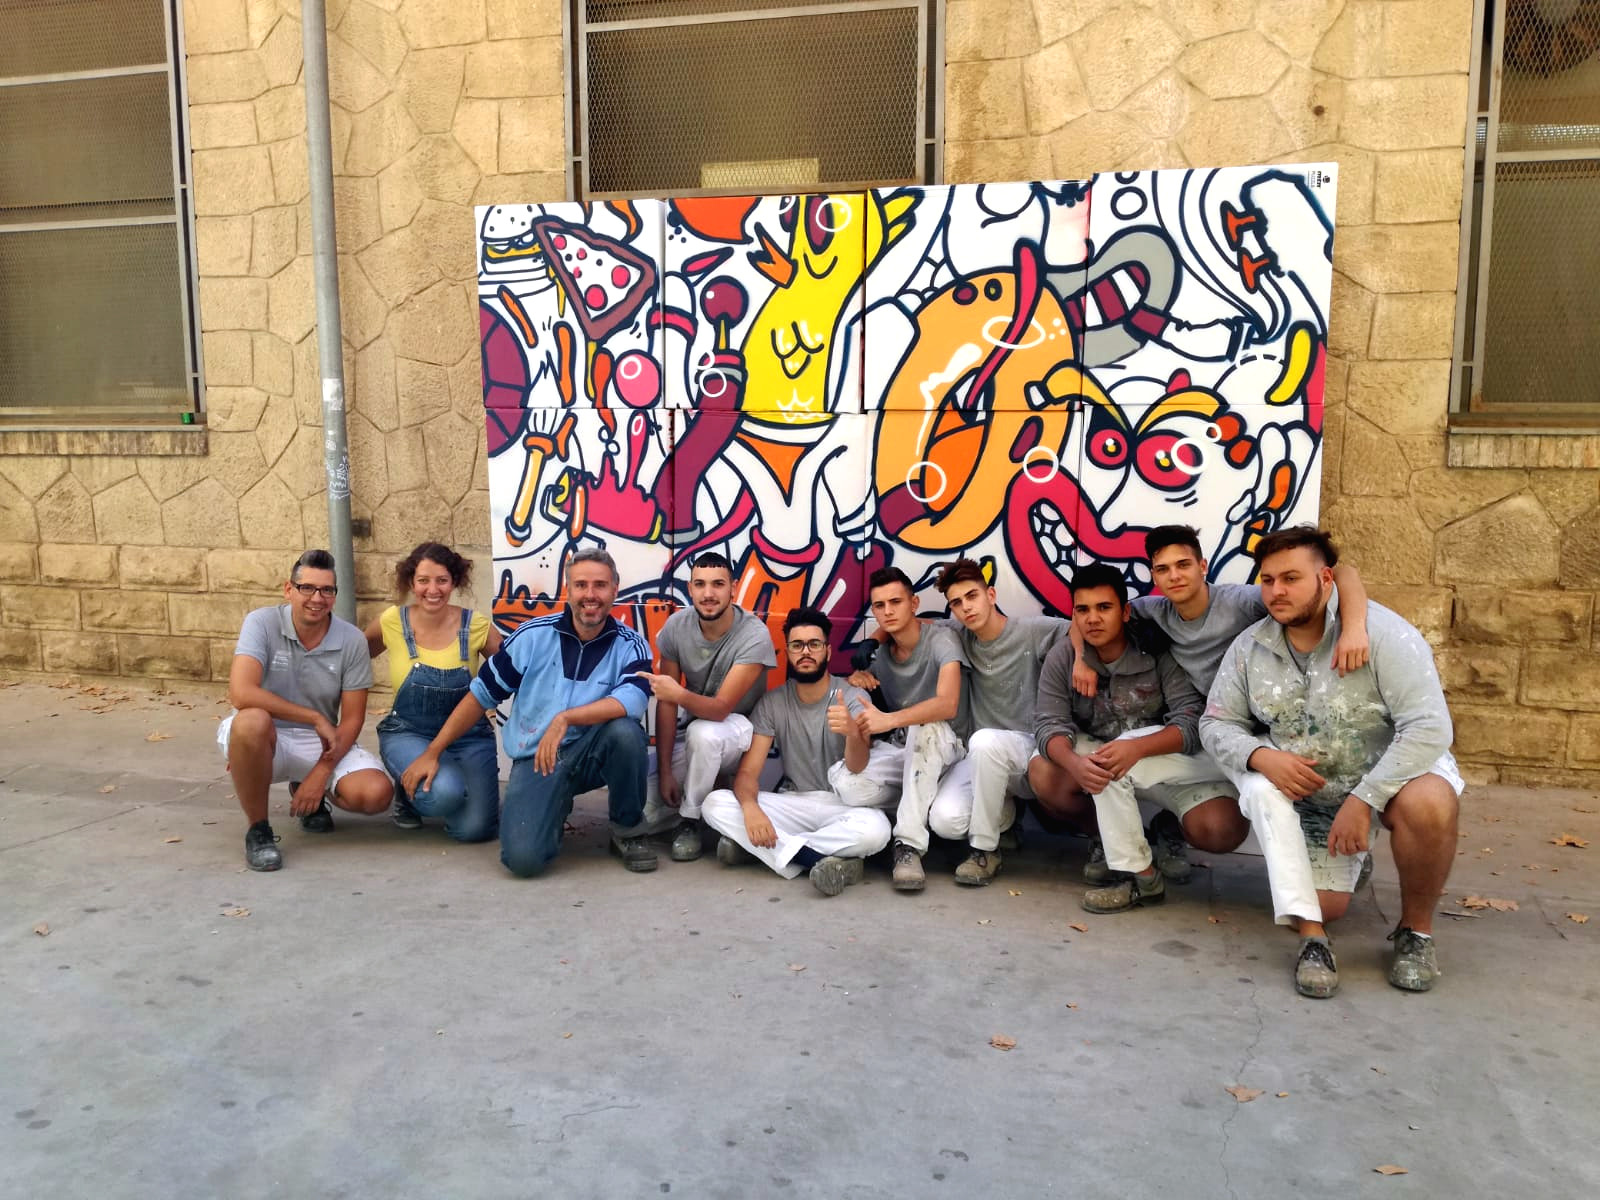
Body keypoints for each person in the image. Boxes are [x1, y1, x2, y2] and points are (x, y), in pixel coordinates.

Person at [1200, 527, 1462, 999]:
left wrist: (1365, 800)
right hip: (1315, 798)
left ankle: (1415, 933)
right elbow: (1216, 723)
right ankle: (1352, 864)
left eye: (1291, 578)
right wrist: (1261, 755)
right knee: (1319, 908)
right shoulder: (1249, 648)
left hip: (1391, 779)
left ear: (1325, 580)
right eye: (1268, 580)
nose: (1277, 591)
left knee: (1429, 802)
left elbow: (1430, 728)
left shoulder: (1384, 635)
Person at [1068, 524, 1371, 884]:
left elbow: (1342, 574)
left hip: (1266, 736)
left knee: (1305, 782)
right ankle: (1136, 874)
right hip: (1210, 735)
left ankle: (1344, 856)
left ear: (1203, 566)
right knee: (1111, 759)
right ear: (1154, 576)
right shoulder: (1153, 610)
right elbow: (1083, 615)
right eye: (1163, 569)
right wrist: (1081, 658)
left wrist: (1354, 628)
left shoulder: (1240, 602)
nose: (1174, 576)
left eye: (1183, 565)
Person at [401, 548, 656, 878]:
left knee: (626, 733)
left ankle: (628, 831)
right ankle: (552, 807)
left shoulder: (630, 644)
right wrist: (433, 752)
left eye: (600, 585)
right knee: (523, 861)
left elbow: (633, 700)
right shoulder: (533, 636)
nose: (590, 595)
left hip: (594, 754)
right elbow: (480, 696)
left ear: (615, 590)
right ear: (567, 590)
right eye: (581, 585)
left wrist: (566, 718)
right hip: (539, 758)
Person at [1033, 564, 1247, 914]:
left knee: (1222, 829)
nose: (1093, 619)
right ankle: (1130, 865)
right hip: (1102, 757)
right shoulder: (1064, 656)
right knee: (1045, 773)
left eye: (1104, 608)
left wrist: (1137, 748)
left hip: (1159, 757)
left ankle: (1167, 829)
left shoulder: (1157, 648)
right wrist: (1075, 765)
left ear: (1125, 612)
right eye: (1082, 610)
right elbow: (1048, 724)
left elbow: (1191, 720)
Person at [701, 607, 893, 896]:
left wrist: (853, 733)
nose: (806, 652)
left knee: (876, 829)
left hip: (843, 806)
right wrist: (751, 810)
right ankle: (821, 859)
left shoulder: (853, 696)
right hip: (793, 802)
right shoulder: (773, 702)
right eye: (797, 645)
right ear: (788, 652)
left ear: (828, 651)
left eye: (814, 644)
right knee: (715, 803)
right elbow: (748, 773)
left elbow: (857, 767)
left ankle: (764, 850)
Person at [220, 549, 392, 871]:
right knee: (251, 721)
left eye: (327, 590)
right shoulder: (262, 622)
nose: (317, 598)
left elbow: (353, 719)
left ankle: (309, 792)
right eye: (307, 588)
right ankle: (258, 831)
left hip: (320, 741)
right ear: (289, 589)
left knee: (375, 794)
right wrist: (312, 716)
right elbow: (241, 693)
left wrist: (320, 773)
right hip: (267, 735)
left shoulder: (352, 640)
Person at [930, 559, 1071, 885]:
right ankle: (1006, 818)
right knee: (944, 821)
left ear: (990, 595)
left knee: (985, 741)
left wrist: (1082, 664)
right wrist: (875, 638)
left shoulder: (1031, 631)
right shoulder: (959, 635)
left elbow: (1078, 628)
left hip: (1031, 750)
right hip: (984, 759)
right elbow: (912, 624)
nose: (966, 607)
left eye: (972, 596)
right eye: (956, 603)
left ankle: (984, 850)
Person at [635, 552, 776, 862]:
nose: (708, 593)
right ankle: (715, 802)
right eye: (700, 584)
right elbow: (667, 703)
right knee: (641, 814)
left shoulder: (754, 634)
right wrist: (666, 772)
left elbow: (721, 709)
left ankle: (691, 819)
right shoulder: (676, 626)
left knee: (705, 732)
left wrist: (677, 693)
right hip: (695, 737)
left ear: (733, 588)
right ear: (690, 588)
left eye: (718, 584)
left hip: (742, 735)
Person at [364, 542, 502, 841]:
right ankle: (410, 790)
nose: (432, 589)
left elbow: (511, 671)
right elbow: (354, 658)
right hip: (409, 732)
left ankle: (448, 783)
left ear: (454, 582)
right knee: (445, 795)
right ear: (411, 582)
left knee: (475, 830)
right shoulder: (392, 621)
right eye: (423, 580)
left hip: (468, 737)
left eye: (442, 580)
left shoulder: (476, 626)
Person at [847, 567, 968, 892]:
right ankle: (909, 813)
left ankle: (908, 845)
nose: (887, 611)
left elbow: (947, 704)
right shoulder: (879, 655)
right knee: (848, 785)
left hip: (950, 747)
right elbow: (855, 688)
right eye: (879, 605)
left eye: (896, 602)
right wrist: (856, 680)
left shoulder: (941, 639)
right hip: (908, 752)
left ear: (914, 603)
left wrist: (890, 720)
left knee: (924, 727)